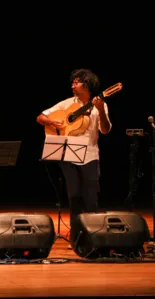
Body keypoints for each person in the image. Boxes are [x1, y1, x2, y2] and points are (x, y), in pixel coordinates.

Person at [36, 68, 112, 230]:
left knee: (90, 199)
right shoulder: (67, 103)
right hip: (69, 156)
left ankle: (92, 235)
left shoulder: (100, 105)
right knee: (74, 197)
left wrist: (100, 111)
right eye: (73, 82)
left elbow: (105, 130)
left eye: (76, 82)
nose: (73, 85)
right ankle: (76, 235)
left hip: (90, 157)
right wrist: (52, 123)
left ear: (87, 84)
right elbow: (41, 117)